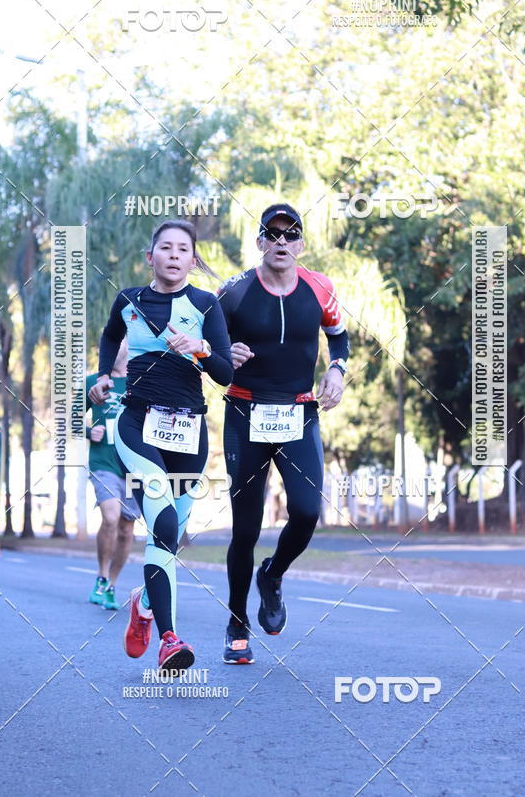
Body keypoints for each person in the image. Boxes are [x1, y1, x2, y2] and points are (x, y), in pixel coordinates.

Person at [90, 220, 232, 673]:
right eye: (164, 248)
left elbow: (227, 374)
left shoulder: (207, 305)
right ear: (150, 257)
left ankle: (143, 606)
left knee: (168, 539)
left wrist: (202, 349)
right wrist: (105, 376)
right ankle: (169, 639)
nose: (173, 255)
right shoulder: (129, 300)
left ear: (193, 260)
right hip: (137, 424)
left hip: (189, 433)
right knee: (163, 518)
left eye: (183, 249)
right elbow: (111, 334)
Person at [218, 203, 349, 663]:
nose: (280, 241)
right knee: (246, 528)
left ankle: (272, 575)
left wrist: (336, 369)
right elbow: (208, 348)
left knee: (308, 510)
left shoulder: (319, 287)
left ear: (300, 245)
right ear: (259, 242)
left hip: (299, 412)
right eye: (271, 234)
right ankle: (237, 623)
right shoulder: (233, 292)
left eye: (289, 234)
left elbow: (339, 335)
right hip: (245, 412)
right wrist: (222, 355)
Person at [86, 339, 140, 611]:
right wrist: (87, 431)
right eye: (121, 342)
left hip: (133, 466)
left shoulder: (140, 382)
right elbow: (70, 418)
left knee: (127, 530)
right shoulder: (93, 382)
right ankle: (101, 575)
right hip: (103, 462)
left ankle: (111, 586)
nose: (127, 346)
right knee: (110, 517)